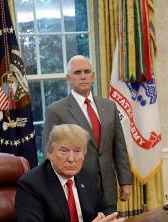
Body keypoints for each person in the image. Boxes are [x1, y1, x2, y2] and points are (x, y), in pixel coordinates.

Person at [11, 124, 125, 222]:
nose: (71, 159)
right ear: (50, 153)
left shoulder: (88, 176)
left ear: (84, 154)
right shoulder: (31, 184)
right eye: (64, 151)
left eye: (77, 151)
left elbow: (107, 208)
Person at [42, 55, 133, 210]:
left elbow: (120, 148)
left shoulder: (109, 107)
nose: (83, 76)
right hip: (76, 191)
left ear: (93, 76)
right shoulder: (56, 111)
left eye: (86, 71)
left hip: (108, 190)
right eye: (77, 72)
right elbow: (49, 153)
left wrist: (125, 181)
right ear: (68, 77)